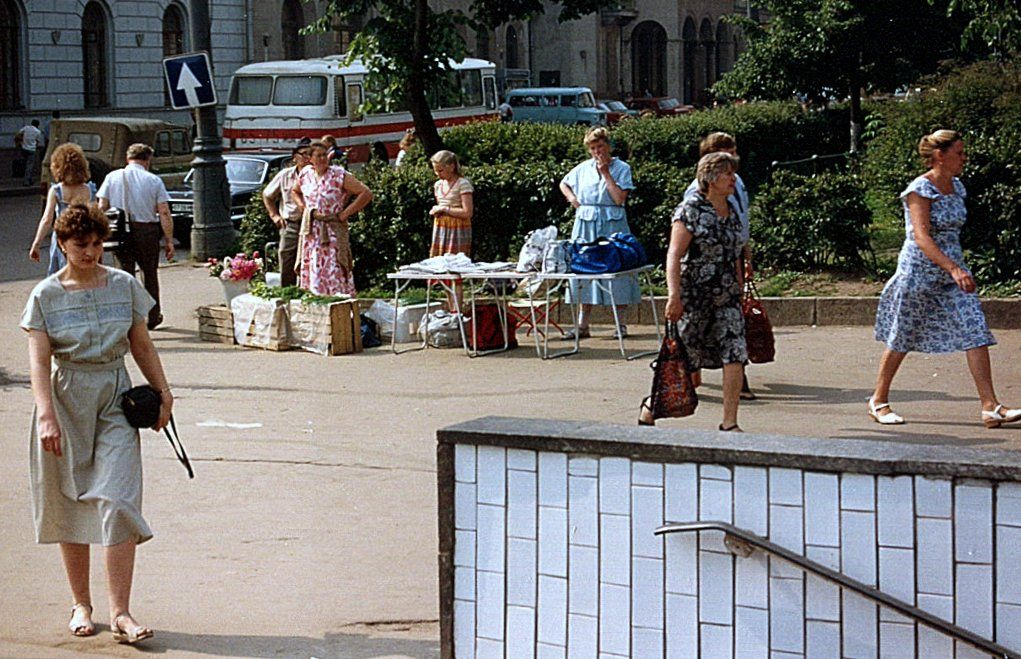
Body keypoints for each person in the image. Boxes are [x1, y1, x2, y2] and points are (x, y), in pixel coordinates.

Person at [21, 203, 173, 645]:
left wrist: (163, 392)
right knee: (71, 501)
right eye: (80, 245)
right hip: (65, 400)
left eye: (96, 244)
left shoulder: (124, 285)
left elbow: (140, 344)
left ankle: (121, 613)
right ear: (62, 245)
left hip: (114, 398)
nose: (91, 252)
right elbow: (38, 361)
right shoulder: (45, 296)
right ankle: (81, 604)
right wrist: (46, 414)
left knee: (118, 499)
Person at [870, 129, 1019, 428]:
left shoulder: (957, 186)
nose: (964, 158)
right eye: (959, 153)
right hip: (919, 272)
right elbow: (922, 237)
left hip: (953, 273)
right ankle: (878, 400)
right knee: (902, 335)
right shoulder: (919, 190)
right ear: (940, 155)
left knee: (975, 329)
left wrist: (956, 268)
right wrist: (953, 268)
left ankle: (990, 406)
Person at [640, 152, 747, 430]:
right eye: (727, 173)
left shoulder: (731, 208)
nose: (733, 178)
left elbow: (736, 253)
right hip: (694, 298)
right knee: (682, 357)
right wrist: (673, 296)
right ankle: (652, 406)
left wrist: (740, 288)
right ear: (710, 178)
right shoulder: (690, 210)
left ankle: (729, 423)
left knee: (735, 352)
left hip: (727, 297)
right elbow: (674, 255)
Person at [683, 132, 756, 399]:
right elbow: (677, 252)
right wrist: (674, 293)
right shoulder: (694, 198)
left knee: (734, 334)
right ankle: (682, 383)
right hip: (699, 284)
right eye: (727, 151)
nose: (734, 156)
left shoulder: (737, 184)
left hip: (728, 275)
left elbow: (741, 222)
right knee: (693, 336)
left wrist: (745, 255)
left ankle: (732, 414)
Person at [559, 126, 639, 339]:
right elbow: (564, 183)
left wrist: (605, 173)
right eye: (593, 148)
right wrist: (573, 200)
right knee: (583, 269)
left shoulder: (622, 167)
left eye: (601, 146)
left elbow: (619, 198)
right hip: (586, 222)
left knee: (617, 271)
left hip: (612, 223)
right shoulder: (583, 168)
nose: (597, 152)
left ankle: (621, 325)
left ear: (608, 146)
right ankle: (582, 324)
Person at [97, 143, 174, 331]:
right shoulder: (154, 180)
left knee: (124, 275)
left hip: (119, 231)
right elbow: (164, 212)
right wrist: (169, 240)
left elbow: (101, 207)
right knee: (149, 274)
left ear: (127, 158)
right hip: (146, 231)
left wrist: (99, 234)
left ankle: (127, 318)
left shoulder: (112, 177)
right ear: (148, 159)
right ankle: (153, 316)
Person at [291, 141, 373, 296]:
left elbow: (365, 193)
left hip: (333, 229)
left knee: (334, 267)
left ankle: (338, 304)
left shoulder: (338, 175)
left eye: (325, 155)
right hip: (312, 230)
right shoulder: (306, 174)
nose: (323, 159)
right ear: (310, 159)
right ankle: (315, 304)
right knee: (313, 266)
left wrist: (344, 214)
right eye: (319, 156)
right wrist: (304, 208)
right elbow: (295, 191)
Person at [29, 143, 97, 275]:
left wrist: (36, 244)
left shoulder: (56, 190)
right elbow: (96, 217)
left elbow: (46, 220)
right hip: (84, 236)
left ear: (57, 167)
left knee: (61, 276)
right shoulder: (89, 189)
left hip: (62, 237)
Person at [429, 149, 474, 311]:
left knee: (455, 271)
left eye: (440, 170)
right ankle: (451, 307)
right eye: (436, 170)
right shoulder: (438, 185)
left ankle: (457, 310)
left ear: (452, 166)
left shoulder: (463, 184)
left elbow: (467, 212)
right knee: (443, 271)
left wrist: (445, 209)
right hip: (441, 229)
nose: (438, 174)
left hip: (458, 230)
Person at [262, 143, 311, 287]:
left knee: (309, 261)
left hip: (311, 224)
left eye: (310, 154)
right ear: (295, 157)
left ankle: (306, 291)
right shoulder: (285, 175)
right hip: (291, 223)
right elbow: (267, 195)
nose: (308, 158)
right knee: (286, 257)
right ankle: (287, 293)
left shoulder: (315, 174)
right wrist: (275, 216)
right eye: (304, 154)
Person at [16, 119, 42, 186]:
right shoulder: (38, 131)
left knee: (26, 164)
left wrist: (20, 142)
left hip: (24, 149)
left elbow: (18, 134)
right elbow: (37, 142)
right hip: (32, 150)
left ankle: (28, 179)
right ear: (37, 125)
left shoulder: (26, 128)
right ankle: (26, 182)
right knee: (29, 166)